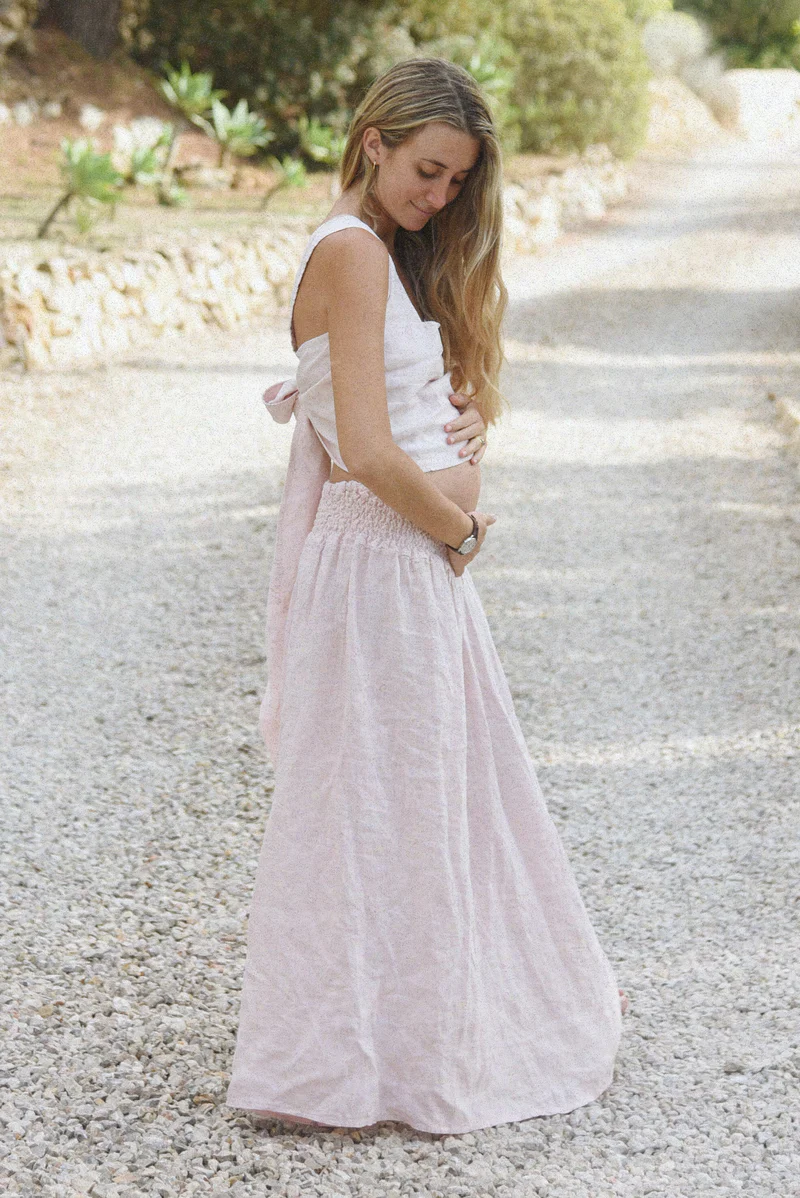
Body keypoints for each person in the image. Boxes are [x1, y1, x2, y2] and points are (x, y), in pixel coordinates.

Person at [225, 56, 627, 1137]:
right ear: (374, 143)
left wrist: (461, 439)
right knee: (365, 811)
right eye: (428, 170)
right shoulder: (351, 254)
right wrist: (460, 525)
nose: (439, 196)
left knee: (412, 807)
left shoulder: (383, 259)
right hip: (385, 566)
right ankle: (338, 1064)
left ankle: (399, 1049)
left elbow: (386, 416)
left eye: (455, 182)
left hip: (403, 569)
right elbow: (360, 451)